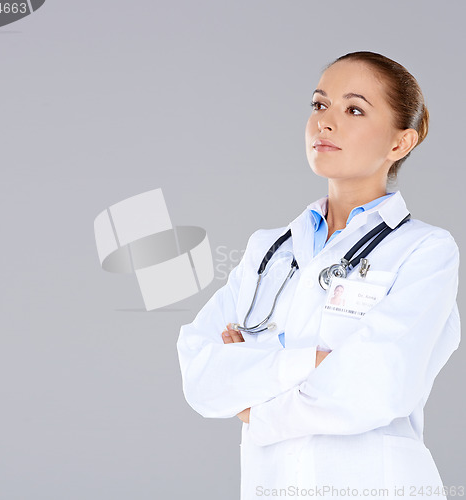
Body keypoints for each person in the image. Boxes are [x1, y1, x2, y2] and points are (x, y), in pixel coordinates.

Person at [176, 51, 461, 499]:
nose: (325, 123)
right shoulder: (267, 250)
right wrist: (313, 362)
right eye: (318, 104)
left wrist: (254, 401)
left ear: (399, 144)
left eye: (353, 109)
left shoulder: (426, 251)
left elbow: (377, 386)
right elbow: (200, 374)